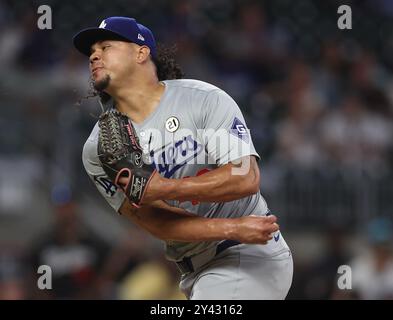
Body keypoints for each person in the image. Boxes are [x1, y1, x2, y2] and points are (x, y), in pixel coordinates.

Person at [73, 16, 293, 299]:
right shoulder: (98, 149)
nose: (94, 55)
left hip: (248, 255)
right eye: (91, 51)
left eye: (106, 47)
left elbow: (245, 177)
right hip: (198, 267)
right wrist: (232, 227)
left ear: (141, 52)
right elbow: (155, 222)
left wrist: (163, 188)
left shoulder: (201, 99)